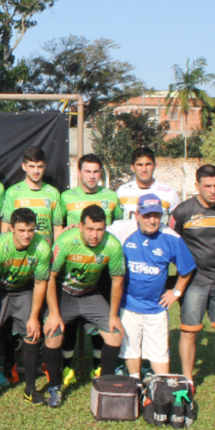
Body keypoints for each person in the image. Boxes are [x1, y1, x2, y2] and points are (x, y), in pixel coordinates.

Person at [169, 164, 215, 400]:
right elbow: (172, 242)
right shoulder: (182, 212)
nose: (213, 191)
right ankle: (187, 381)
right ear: (197, 185)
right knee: (190, 332)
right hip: (194, 284)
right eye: (208, 186)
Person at [42, 205, 126, 408]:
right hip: (64, 293)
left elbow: (117, 281)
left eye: (99, 229)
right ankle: (54, 387)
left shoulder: (112, 245)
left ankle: (105, 385)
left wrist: (113, 315)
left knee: (115, 333)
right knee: (53, 334)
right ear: (80, 226)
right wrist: (53, 313)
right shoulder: (66, 241)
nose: (95, 235)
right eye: (90, 229)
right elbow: (50, 277)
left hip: (90, 293)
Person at [107, 195, 196, 378]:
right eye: (147, 215)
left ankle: (160, 385)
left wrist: (176, 292)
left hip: (156, 308)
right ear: (137, 215)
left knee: (159, 352)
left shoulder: (171, 238)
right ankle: (135, 380)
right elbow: (97, 231)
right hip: (128, 305)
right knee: (130, 349)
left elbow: (186, 269)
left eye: (156, 215)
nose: (152, 220)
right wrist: (75, 227)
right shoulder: (123, 230)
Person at [0, 208, 52, 406]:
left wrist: (34, 317)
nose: (26, 235)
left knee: (32, 333)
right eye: (21, 230)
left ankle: (30, 389)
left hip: (23, 291)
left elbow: (40, 284)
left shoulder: (42, 247)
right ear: (11, 228)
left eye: (30, 230)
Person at [59, 153, 121, 380]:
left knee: (99, 318)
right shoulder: (65, 197)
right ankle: (68, 365)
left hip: (102, 266)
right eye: (88, 171)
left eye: (96, 171)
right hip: (74, 267)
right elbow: (60, 230)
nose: (92, 176)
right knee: (71, 320)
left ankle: (98, 365)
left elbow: (119, 228)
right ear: (79, 173)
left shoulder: (112, 197)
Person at [0, 146, 64, 243]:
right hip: (19, 255)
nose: (36, 171)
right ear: (23, 166)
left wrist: (55, 254)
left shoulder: (53, 193)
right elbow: (6, 226)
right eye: (32, 166)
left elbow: (57, 227)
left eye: (40, 166)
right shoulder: (12, 192)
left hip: (45, 254)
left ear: (45, 166)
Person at [116, 147, 181, 224]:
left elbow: (175, 224)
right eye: (140, 165)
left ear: (154, 166)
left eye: (148, 164)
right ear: (133, 167)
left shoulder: (170, 193)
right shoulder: (122, 192)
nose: (144, 169)